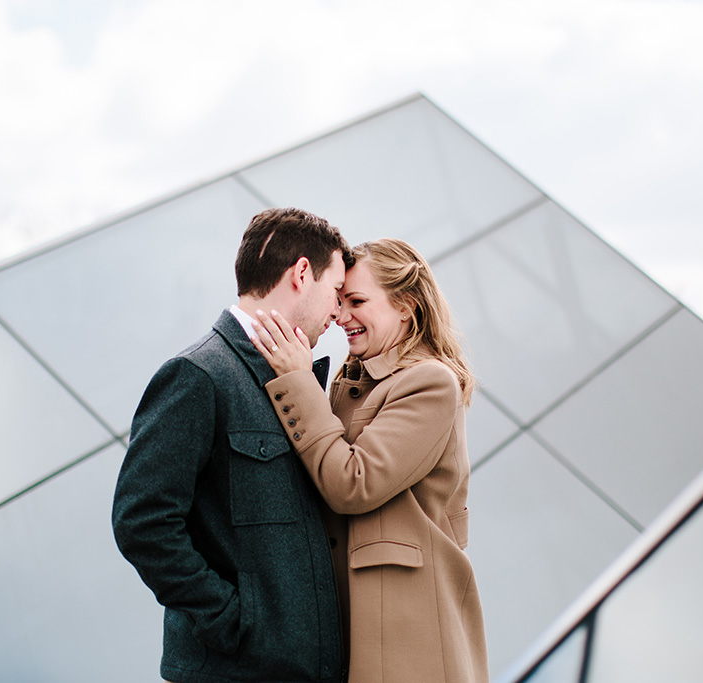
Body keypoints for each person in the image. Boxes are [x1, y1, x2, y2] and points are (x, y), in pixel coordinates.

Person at [112, 207, 353, 683]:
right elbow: (141, 521)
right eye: (337, 290)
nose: (338, 312)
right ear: (302, 274)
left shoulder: (300, 382)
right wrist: (233, 624)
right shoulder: (198, 375)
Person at [249, 238, 490, 683]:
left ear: (407, 306)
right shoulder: (350, 380)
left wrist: (299, 381)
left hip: (408, 637)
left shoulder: (430, 383)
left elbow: (352, 484)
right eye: (339, 302)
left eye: (357, 301)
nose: (341, 317)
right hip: (354, 631)